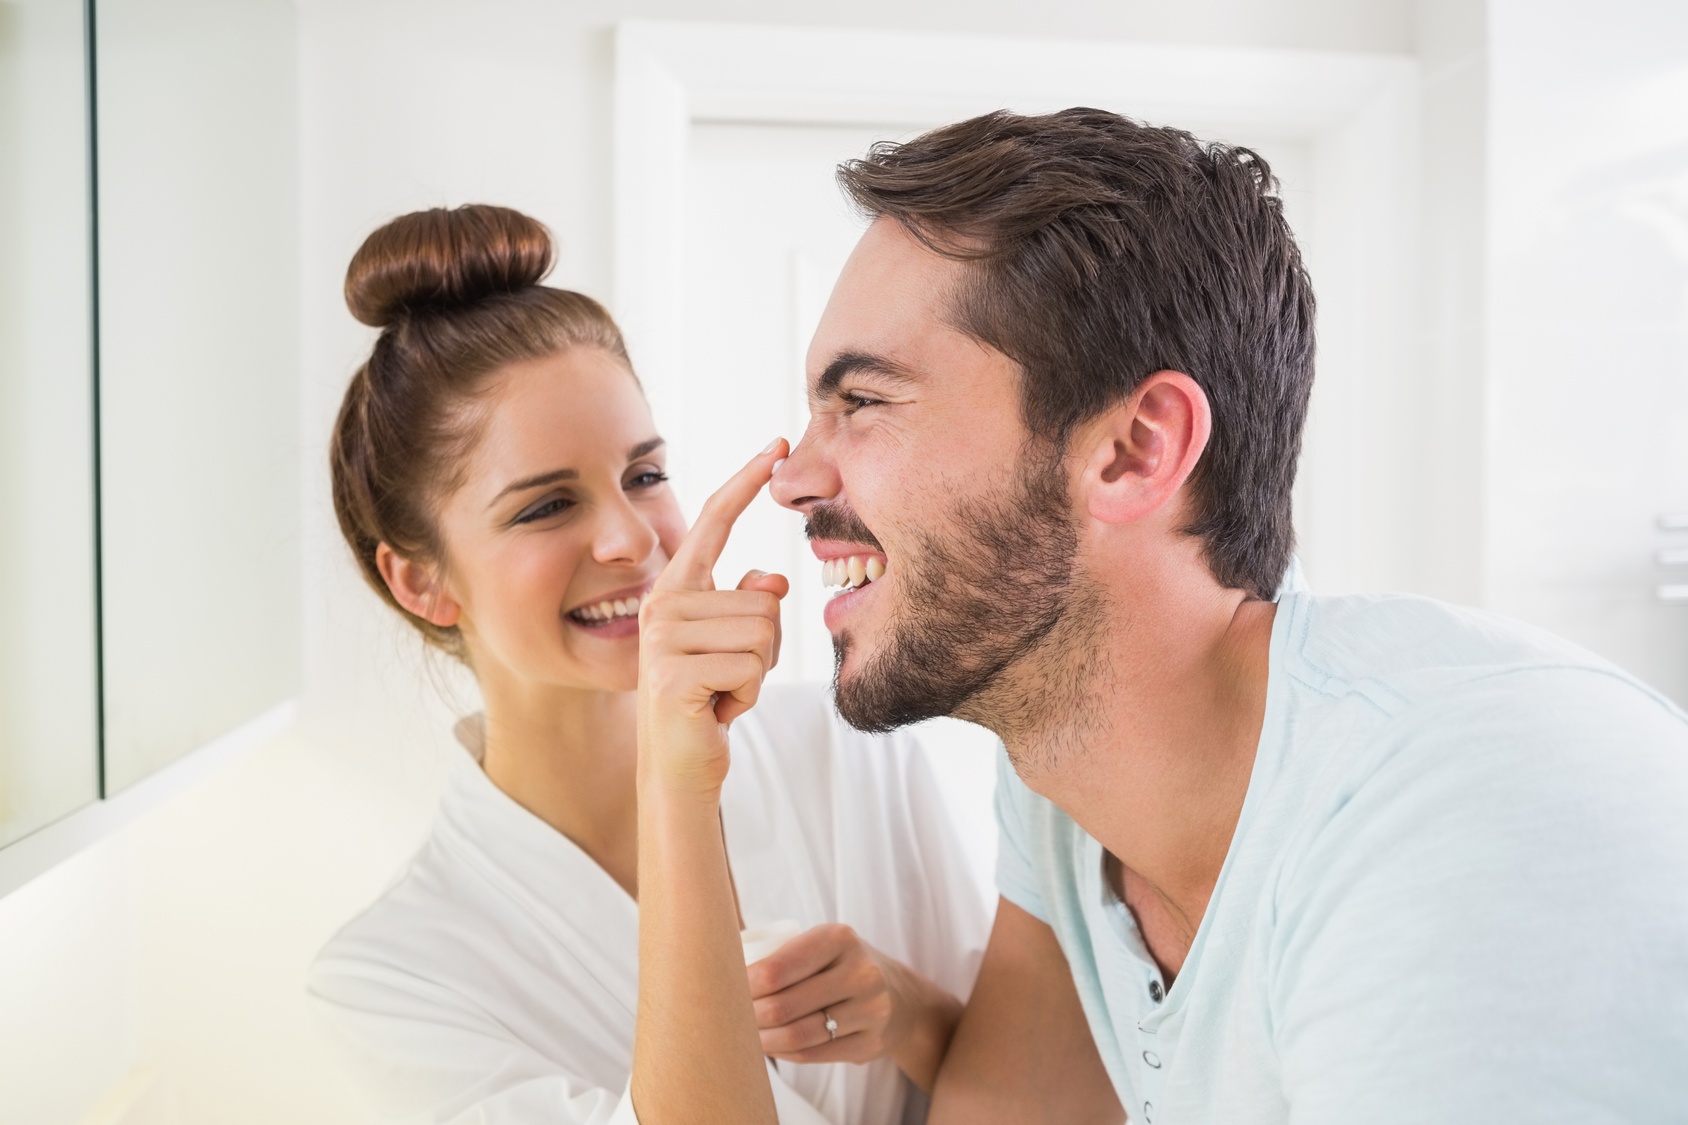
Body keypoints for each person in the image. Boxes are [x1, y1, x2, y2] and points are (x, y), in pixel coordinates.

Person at [762, 108, 1688, 1123]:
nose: (793, 478)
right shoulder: (1065, 780)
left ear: (1132, 451)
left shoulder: (1472, 818)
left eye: (863, 402)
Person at [306, 204, 986, 1125]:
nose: (631, 538)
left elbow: (1028, 1077)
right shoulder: (392, 979)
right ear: (422, 582)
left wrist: (905, 1010)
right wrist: (675, 781)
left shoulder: (846, 747)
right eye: (546, 507)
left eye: (644, 476)